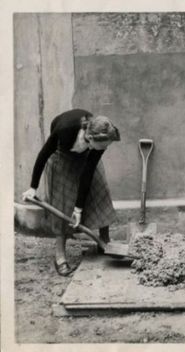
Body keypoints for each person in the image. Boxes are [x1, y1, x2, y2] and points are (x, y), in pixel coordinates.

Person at [22, 109, 121, 276]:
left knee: (100, 191)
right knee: (62, 204)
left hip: (85, 156)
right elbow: (43, 154)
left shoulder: (100, 141)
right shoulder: (65, 130)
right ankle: (60, 254)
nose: (106, 148)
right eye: (105, 145)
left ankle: (104, 242)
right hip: (62, 157)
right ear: (91, 137)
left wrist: (78, 209)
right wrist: (33, 188)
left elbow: (87, 173)